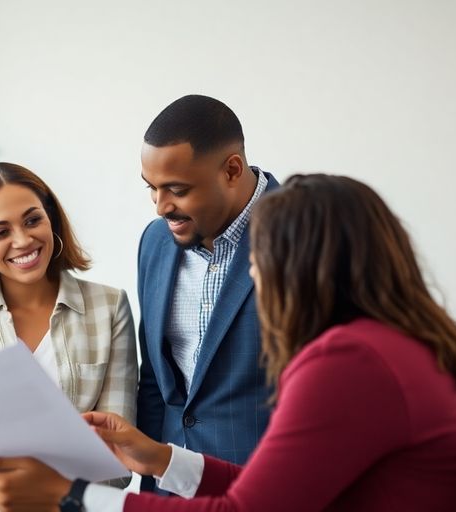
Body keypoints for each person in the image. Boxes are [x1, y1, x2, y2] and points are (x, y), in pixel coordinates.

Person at [0, 174, 456, 511]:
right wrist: (159, 457)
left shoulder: (348, 361)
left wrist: (70, 497)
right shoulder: (391, 345)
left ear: (310, 266)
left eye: (262, 255)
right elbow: (265, 496)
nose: (253, 272)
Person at [0, 162, 138, 512]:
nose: (23, 240)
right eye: (0, 232)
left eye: (32, 220)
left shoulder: (109, 306)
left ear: (50, 218)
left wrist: (51, 493)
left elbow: (118, 452)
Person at [136, 95, 279, 481]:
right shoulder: (154, 241)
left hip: (267, 487)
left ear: (232, 170)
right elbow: (155, 382)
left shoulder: (303, 235)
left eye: (177, 190)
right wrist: (152, 489)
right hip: (173, 487)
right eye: (152, 188)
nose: (160, 206)